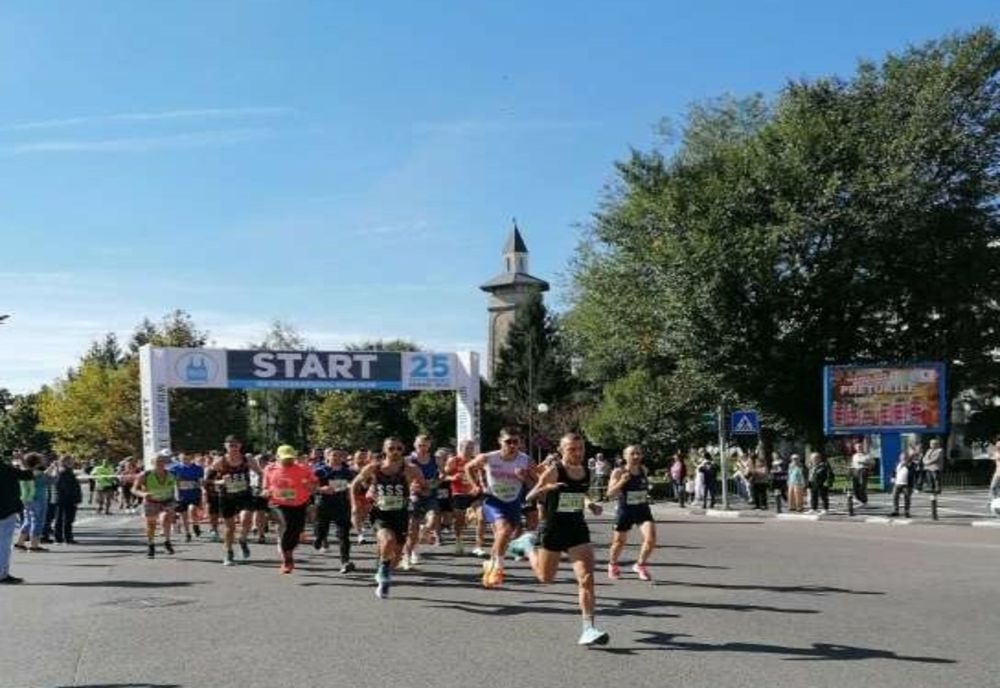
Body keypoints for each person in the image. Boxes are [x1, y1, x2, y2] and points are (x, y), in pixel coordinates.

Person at [509, 433, 609, 646]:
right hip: (553, 529)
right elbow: (530, 496)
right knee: (546, 578)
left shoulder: (585, 471)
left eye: (580, 448)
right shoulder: (554, 471)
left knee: (587, 578)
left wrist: (590, 504)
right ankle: (527, 546)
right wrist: (547, 488)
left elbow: (581, 493)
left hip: (577, 529)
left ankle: (588, 628)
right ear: (562, 451)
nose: (577, 453)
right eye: (572, 449)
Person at [351, 438, 428, 599]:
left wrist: (419, 488)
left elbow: (426, 488)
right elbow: (354, 484)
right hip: (380, 512)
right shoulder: (374, 468)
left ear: (403, 450)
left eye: (399, 448)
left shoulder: (411, 469)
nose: (395, 451)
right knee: (387, 539)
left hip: (400, 513)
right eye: (391, 448)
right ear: (384, 450)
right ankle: (383, 575)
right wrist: (355, 505)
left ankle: (383, 569)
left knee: (397, 554)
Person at [464, 427, 534, 589]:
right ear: (500, 441)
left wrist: (524, 478)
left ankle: (491, 563)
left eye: (515, 442)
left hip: (513, 502)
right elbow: (468, 467)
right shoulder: (489, 457)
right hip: (493, 500)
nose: (512, 445)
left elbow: (535, 483)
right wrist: (475, 485)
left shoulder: (525, 460)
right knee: (504, 530)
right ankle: (498, 568)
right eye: (508, 441)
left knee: (504, 535)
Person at [262, 444, 318, 574]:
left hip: (299, 503)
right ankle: (287, 559)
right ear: (277, 457)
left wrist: (309, 485)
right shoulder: (270, 469)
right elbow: (265, 486)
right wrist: (265, 492)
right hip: (278, 503)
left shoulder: (303, 469)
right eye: (285, 458)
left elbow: (314, 483)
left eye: (291, 458)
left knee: (296, 530)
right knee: (287, 525)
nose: (288, 461)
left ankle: (288, 550)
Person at [207, 435, 261, 566]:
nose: (234, 448)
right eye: (231, 445)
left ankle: (242, 539)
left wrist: (262, 486)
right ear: (225, 446)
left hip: (244, 494)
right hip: (227, 497)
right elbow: (208, 481)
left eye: (236, 445)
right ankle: (229, 552)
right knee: (230, 528)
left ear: (240, 446)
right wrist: (219, 481)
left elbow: (261, 473)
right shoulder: (219, 462)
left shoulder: (247, 459)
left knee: (246, 517)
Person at [605, 445, 656, 581]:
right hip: (625, 510)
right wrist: (622, 481)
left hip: (642, 509)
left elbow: (643, 486)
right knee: (619, 542)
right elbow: (610, 493)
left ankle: (640, 565)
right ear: (625, 456)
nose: (636, 456)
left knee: (650, 539)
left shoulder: (644, 469)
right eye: (632, 454)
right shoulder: (618, 471)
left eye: (638, 453)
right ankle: (612, 564)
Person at [313, 448, 356, 573]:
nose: (336, 458)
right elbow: (310, 486)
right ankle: (319, 539)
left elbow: (352, 484)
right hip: (324, 504)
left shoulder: (347, 472)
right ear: (327, 457)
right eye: (334, 455)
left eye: (339, 455)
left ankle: (345, 562)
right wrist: (321, 489)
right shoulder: (320, 471)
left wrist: (350, 486)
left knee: (344, 535)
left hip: (342, 505)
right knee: (322, 530)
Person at [131, 450, 178, 559]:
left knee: (166, 517)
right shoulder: (145, 475)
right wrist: (143, 494)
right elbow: (133, 489)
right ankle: (151, 544)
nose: (160, 464)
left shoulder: (171, 474)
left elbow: (176, 486)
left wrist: (177, 497)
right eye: (157, 462)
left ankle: (167, 541)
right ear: (152, 463)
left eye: (162, 461)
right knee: (151, 524)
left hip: (167, 500)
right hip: (151, 501)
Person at [402, 435, 439, 569]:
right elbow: (401, 476)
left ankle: (425, 530)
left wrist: (436, 482)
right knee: (412, 529)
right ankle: (407, 556)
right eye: (420, 445)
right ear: (415, 445)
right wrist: (410, 485)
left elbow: (442, 474)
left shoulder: (435, 459)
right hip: (415, 495)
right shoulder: (407, 460)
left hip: (430, 493)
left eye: (425, 445)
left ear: (429, 445)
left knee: (434, 518)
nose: (422, 448)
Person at [1, 454, 36, 583]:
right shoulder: (6, 469)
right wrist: (22, 460)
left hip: (6, 509)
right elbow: (28, 475)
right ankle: (2, 574)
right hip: (6, 510)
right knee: (4, 544)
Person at [444, 440, 478, 555]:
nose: (469, 450)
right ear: (460, 448)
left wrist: (477, 485)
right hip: (458, 493)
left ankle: (478, 544)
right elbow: (443, 476)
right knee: (459, 520)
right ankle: (458, 541)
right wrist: (453, 478)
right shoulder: (454, 460)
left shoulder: (475, 460)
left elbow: (480, 475)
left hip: (473, 493)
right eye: (467, 448)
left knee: (480, 514)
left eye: (471, 448)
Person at [14, 453, 50, 552]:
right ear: (37, 461)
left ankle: (20, 543)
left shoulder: (25, 471)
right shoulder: (36, 472)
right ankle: (34, 545)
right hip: (38, 498)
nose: (44, 460)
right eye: (42, 459)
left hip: (27, 498)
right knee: (37, 521)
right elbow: (46, 480)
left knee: (28, 520)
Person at [169, 452, 205, 542]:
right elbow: (172, 483)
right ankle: (187, 533)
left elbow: (201, 481)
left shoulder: (198, 468)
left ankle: (195, 524)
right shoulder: (174, 469)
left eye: (187, 459)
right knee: (183, 515)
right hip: (181, 494)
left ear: (191, 458)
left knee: (192, 510)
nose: (186, 461)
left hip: (194, 493)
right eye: (183, 459)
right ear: (179, 459)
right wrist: (174, 493)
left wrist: (202, 490)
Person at [53, 455, 83, 544]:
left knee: (63, 518)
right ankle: (66, 537)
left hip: (63, 498)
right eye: (69, 461)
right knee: (66, 519)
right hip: (66, 499)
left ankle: (61, 537)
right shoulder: (64, 472)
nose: (72, 463)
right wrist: (74, 498)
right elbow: (67, 487)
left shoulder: (66, 472)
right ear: (64, 462)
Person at [890, 451, 915, 517]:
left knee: (907, 498)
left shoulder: (911, 464)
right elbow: (894, 471)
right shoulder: (897, 463)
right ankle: (896, 511)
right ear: (900, 457)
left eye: (905, 457)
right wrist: (892, 477)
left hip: (906, 484)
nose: (903, 458)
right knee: (895, 497)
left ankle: (906, 512)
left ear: (907, 458)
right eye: (902, 457)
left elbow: (912, 473)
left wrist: (907, 465)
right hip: (897, 483)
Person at [850, 443, 872, 507]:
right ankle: (859, 499)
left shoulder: (867, 455)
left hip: (863, 470)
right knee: (855, 487)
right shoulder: (854, 456)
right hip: (855, 471)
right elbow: (853, 464)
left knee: (862, 486)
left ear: (862, 447)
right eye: (857, 447)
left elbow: (872, 464)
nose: (859, 448)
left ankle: (864, 500)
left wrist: (864, 463)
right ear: (855, 448)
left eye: (860, 447)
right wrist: (851, 469)